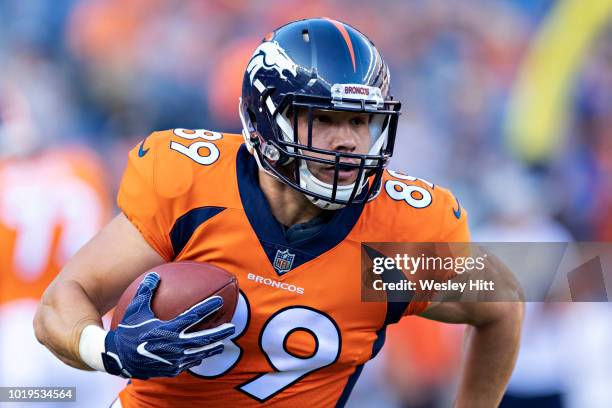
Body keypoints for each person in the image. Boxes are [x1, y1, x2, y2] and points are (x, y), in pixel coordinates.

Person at [34, 18, 523, 407]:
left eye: (360, 120)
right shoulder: (193, 187)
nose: (348, 140)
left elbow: (503, 306)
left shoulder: (394, 236)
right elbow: (61, 303)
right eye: (324, 119)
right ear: (268, 120)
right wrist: (109, 350)